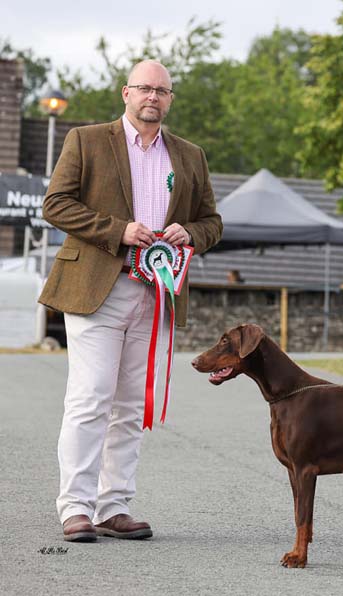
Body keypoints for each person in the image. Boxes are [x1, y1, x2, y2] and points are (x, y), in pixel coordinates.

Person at [39, 60, 223, 542]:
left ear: (170, 99)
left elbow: (212, 221)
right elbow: (55, 203)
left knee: (130, 406)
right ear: (126, 92)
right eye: (144, 88)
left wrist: (192, 234)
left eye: (162, 90)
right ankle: (74, 507)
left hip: (157, 292)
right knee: (90, 399)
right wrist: (118, 231)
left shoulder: (190, 155)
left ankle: (113, 504)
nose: (153, 97)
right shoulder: (86, 139)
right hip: (98, 288)